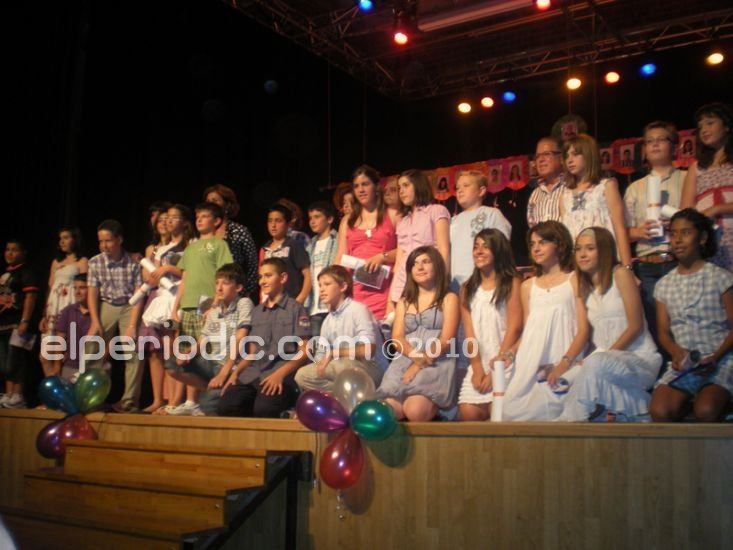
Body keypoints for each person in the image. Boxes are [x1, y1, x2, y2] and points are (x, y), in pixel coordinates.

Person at [559, 227, 661, 422]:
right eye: (578, 249)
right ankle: (639, 411)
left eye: (590, 248)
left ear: (604, 250)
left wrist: (603, 356)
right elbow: (589, 335)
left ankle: (569, 421)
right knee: (573, 378)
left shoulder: (620, 274)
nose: (582, 254)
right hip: (603, 362)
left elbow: (636, 326)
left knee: (594, 365)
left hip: (638, 358)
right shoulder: (585, 287)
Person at [650, 209, 733, 422]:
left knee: (706, 410)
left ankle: (720, 405)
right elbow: (663, 333)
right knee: (660, 410)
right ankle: (688, 405)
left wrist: (715, 357)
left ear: (702, 238)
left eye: (686, 233)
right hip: (687, 365)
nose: (678, 240)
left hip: (720, 359)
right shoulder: (664, 285)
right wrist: (676, 352)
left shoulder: (721, 278)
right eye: (673, 234)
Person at [501, 222, 589, 421]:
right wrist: (510, 353)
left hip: (563, 358)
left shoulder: (574, 279)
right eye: (532, 244)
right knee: (511, 410)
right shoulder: (527, 286)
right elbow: (529, 331)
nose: (536, 249)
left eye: (542, 243)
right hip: (531, 362)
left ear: (559, 244)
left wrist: (564, 364)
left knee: (555, 412)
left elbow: (583, 330)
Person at [217, 258, 311, 418]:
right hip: (253, 374)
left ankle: (289, 410)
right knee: (226, 406)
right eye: (260, 277)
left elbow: (304, 352)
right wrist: (235, 373)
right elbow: (252, 353)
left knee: (264, 410)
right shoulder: (256, 312)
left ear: (283, 278)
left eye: (268, 276)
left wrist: (280, 375)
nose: (262, 281)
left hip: (280, 373)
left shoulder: (296, 309)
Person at [378, 247, 460, 421]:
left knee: (415, 410)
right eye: (415, 264)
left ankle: (438, 414)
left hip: (436, 360)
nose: (420, 267)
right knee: (388, 411)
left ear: (437, 266)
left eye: (426, 262)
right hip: (405, 359)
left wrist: (419, 364)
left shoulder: (449, 298)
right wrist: (415, 357)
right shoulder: (404, 301)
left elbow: (447, 339)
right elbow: (397, 338)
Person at [166, 203, 233, 415]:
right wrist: (175, 308)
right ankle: (190, 401)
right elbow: (184, 279)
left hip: (207, 308)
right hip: (187, 307)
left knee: (206, 354)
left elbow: (224, 275)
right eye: (198, 217)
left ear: (217, 221)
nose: (200, 220)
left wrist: (215, 303)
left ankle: (208, 400)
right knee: (185, 354)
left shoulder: (219, 245)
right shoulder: (191, 248)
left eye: (205, 216)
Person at [625, 121, 685, 354]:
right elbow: (624, 231)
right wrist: (639, 231)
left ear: (674, 146)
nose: (655, 144)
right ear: (644, 150)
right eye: (650, 141)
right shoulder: (635, 187)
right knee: (655, 326)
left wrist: (678, 224)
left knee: (682, 322)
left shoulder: (686, 178)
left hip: (678, 261)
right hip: (648, 265)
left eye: (661, 139)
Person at [165, 264, 253, 416]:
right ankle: (210, 388)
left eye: (225, 283)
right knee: (172, 363)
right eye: (217, 283)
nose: (219, 288)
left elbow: (241, 337)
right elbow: (203, 341)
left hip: (230, 366)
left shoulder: (243, 303)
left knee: (207, 407)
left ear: (238, 287)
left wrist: (224, 372)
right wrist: (189, 353)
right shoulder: (214, 312)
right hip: (212, 363)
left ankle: (216, 391)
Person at [457, 230, 522, 421]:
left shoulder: (512, 283)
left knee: (499, 412)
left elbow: (515, 328)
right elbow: (469, 333)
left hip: (506, 359)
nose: (479, 251)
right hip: (479, 360)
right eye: (476, 247)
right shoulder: (467, 288)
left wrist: (496, 371)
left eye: (486, 247)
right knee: (469, 412)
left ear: (498, 250)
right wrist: (477, 367)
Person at [295, 265, 386, 393]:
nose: (322, 289)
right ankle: (343, 395)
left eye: (327, 284)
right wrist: (319, 365)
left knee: (343, 365)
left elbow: (367, 351)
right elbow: (321, 357)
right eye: (320, 285)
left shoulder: (358, 310)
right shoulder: (327, 321)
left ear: (343, 287)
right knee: (302, 375)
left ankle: (364, 393)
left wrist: (334, 353)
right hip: (342, 367)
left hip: (370, 369)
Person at [85, 220, 144, 412]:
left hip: (130, 305)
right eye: (101, 241)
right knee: (93, 344)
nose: (104, 245)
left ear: (119, 240)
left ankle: (129, 401)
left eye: (108, 241)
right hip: (107, 304)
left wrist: (132, 325)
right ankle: (91, 397)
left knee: (133, 348)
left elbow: (139, 293)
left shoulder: (133, 262)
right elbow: (92, 294)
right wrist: (95, 321)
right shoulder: (95, 262)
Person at [138, 204, 189, 413]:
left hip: (178, 296)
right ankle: (166, 400)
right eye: (166, 218)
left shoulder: (189, 245)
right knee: (165, 351)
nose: (168, 221)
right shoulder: (160, 248)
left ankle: (176, 400)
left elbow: (188, 272)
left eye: (173, 217)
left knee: (177, 347)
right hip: (162, 298)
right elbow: (151, 276)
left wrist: (169, 268)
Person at [335, 165, 398, 321]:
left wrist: (382, 257)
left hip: (385, 292)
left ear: (376, 186)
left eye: (365, 184)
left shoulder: (393, 214)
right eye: (356, 186)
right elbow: (340, 258)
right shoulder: (347, 221)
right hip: (355, 293)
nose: (361, 190)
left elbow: (406, 252)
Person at [560, 133, 633, 268]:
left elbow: (620, 228)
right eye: (567, 156)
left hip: (604, 261)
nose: (570, 160)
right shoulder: (565, 194)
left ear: (589, 155)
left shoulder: (606, 186)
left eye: (575, 154)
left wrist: (627, 266)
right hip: (576, 265)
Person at [680, 102, 733, 271]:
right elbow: (686, 210)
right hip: (710, 242)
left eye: (710, 123)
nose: (704, 130)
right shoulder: (696, 167)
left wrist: (717, 209)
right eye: (700, 126)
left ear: (726, 126)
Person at [390, 169, 450, 308]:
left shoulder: (436, 211)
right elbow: (399, 262)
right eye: (399, 188)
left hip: (428, 281)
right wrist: (391, 297)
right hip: (402, 285)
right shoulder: (403, 221)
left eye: (406, 185)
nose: (401, 191)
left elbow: (444, 249)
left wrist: (442, 284)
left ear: (418, 185)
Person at [450, 170, 511, 291]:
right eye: (457, 188)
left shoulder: (492, 214)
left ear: (481, 191)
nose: (460, 190)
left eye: (466, 186)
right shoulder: (452, 221)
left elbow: (501, 247)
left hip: (483, 282)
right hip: (455, 284)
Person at [38, 227, 88, 376]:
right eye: (60, 238)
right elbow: (50, 287)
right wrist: (44, 315)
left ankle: (62, 387)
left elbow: (85, 287)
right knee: (45, 355)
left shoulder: (82, 261)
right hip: (53, 309)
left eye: (66, 238)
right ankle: (53, 386)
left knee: (62, 355)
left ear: (75, 239)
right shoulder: (56, 262)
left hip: (69, 307)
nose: (62, 241)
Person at [0, 240, 40, 409]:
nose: (10, 253)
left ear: (23, 253)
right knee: (4, 364)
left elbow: (31, 297)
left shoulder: (26, 272)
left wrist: (25, 320)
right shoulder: (5, 273)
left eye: (14, 250)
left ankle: (18, 395)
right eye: (7, 249)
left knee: (16, 360)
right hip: (3, 324)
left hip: (18, 323)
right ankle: (8, 394)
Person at [204, 184, 258, 296]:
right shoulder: (203, 233)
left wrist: (243, 292)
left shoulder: (238, 231)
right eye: (208, 201)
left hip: (233, 295)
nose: (210, 204)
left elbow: (252, 265)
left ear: (227, 205)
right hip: (206, 293)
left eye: (215, 200)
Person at [260, 204, 311, 304]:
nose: (273, 225)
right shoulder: (265, 249)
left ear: (288, 224)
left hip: (289, 302)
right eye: (270, 221)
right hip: (268, 304)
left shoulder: (293, 245)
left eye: (278, 221)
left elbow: (307, 275)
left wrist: (300, 300)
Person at [305, 201, 338, 336]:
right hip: (314, 307)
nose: (312, 221)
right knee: (317, 346)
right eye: (310, 218)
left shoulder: (337, 240)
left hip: (332, 306)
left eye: (317, 217)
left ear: (329, 219)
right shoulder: (310, 245)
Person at [50, 274, 91, 382]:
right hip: (71, 365)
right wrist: (57, 365)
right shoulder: (68, 311)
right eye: (75, 288)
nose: (77, 292)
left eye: (82, 288)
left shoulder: (100, 312)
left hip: (93, 367)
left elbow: (108, 341)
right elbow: (60, 340)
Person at [527, 136, 566, 227]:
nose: (541, 160)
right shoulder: (535, 194)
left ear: (561, 158)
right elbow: (532, 227)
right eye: (537, 156)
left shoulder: (572, 187)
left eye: (547, 154)